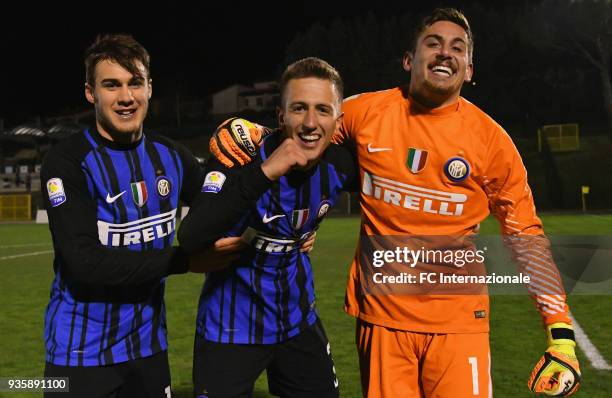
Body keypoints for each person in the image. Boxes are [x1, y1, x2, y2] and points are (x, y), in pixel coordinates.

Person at [332, 8, 581, 397]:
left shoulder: (490, 141)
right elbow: (303, 131)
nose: (445, 53)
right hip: (382, 320)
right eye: (433, 44)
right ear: (409, 60)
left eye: (457, 48)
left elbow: (524, 234)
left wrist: (560, 332)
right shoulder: (361, 112)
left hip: (458, 322)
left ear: (468, 69)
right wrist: (248, 136)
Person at [41, 34, 222, 398]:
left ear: (149, 88)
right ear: (91, 93)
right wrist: (184, 260)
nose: (126, 97)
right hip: (79, 355)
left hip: (148, 349)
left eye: (135, 83)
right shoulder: (68, 162)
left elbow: (220, 205)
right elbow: (85, 263)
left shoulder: (170, 157)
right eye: (112, 85)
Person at [178, 57, 357, 398]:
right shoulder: (241, 156)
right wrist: (266, 172)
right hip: (230, 327)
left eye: (322, 110)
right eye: (298, 108)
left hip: (297, 322)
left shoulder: (341, 165)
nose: (310, 122)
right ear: (280, 116)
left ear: (338, 121)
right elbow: (190, 237)